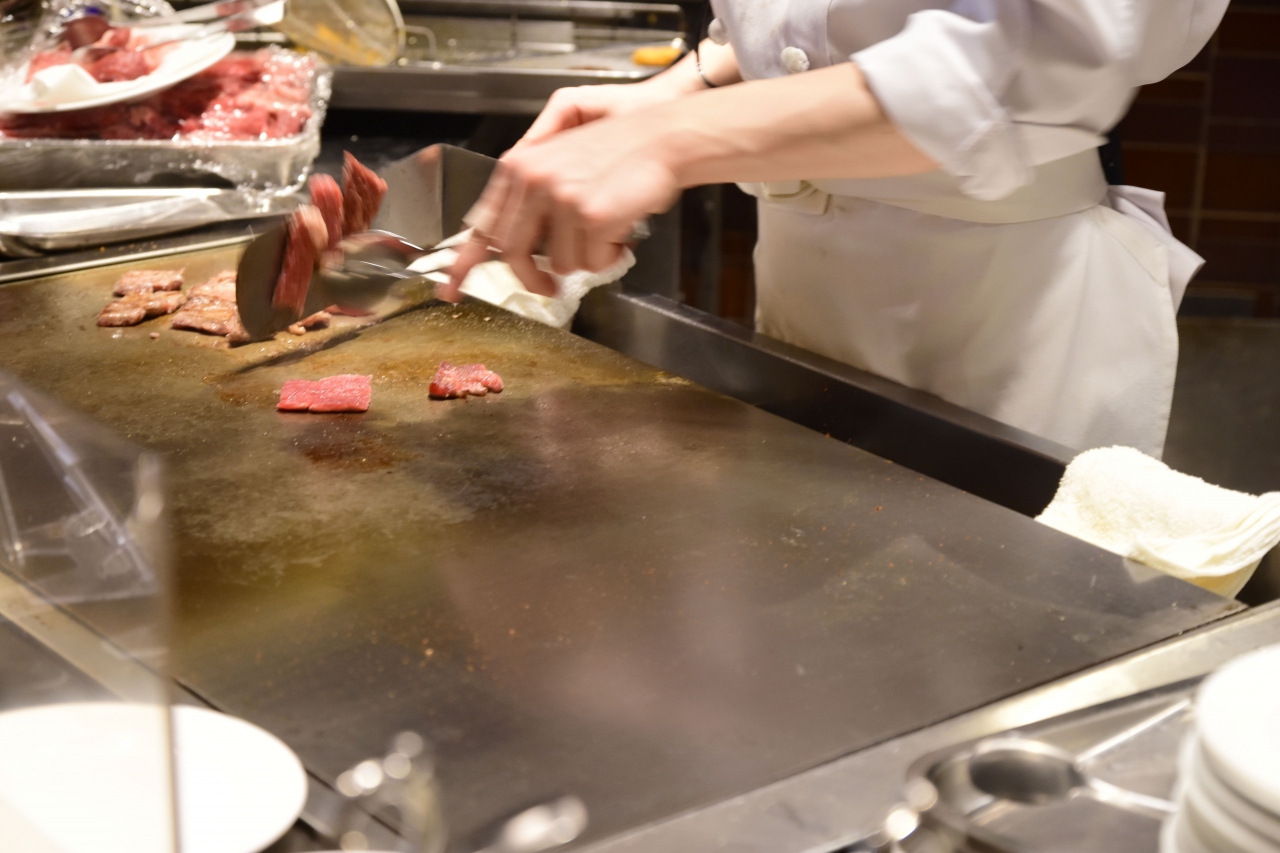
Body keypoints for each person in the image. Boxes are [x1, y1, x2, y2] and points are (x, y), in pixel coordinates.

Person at [443, 1, 1229, 457]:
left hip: (1010, 304)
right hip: (803, 286)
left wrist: (669, 141)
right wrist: (691, 84)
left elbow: (1047, 51)